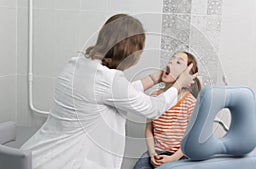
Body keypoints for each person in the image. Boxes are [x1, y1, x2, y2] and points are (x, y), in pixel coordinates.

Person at [20, 14, 197, 169]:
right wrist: (179, 82)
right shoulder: (109, 80)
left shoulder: (75, 64)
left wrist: (154, 79)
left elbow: (118, 94)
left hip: (34, 155)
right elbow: (152, 108)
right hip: (66, 161)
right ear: (130, 51)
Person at [133, 51, 201, 169]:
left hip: (180, 156)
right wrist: (152, 152)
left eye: (178, 62)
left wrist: (173, 158)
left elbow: (192, 137)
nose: (171, 61)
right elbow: (149, 129)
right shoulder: (154, 97)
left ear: (187, 74)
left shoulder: (190, 103)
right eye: (171, 59)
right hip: (155, 152)